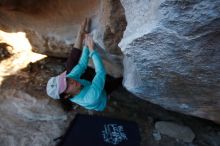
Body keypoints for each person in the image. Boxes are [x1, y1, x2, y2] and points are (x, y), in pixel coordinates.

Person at [46, 18, 122, 111]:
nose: (71, 81)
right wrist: (92, 51)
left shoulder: (71, 78)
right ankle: (120, 81)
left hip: (87, 86)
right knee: (111, 86)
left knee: (72, 68)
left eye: (66, 79)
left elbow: (82, 65)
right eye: (67, 85)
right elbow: (100, 73)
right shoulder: (89, 99)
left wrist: (86, 45)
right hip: (101, 99)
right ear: (67, 95)